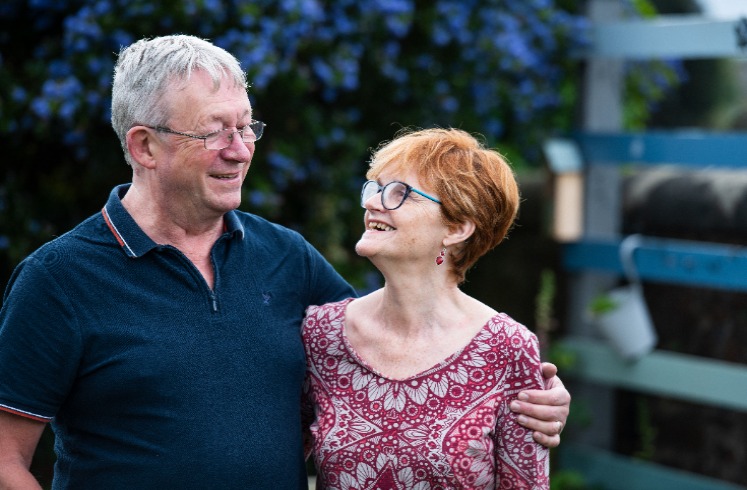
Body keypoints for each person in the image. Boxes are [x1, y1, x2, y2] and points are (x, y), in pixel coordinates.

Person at [0, 35, 567, 489]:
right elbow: (5, 462)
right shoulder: (59, 281)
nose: (241, 148)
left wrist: (529, 399)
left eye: (246, 126)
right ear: (145, 146)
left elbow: (393, 346)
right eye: (214, 132)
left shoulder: (286, 258)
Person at [302, 128, 551, 489]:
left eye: (400, 193)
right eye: (375, 187)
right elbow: (267, 456)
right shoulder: (321, 334)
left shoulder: (507, 349)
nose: (373, 203)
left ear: (457, 228)